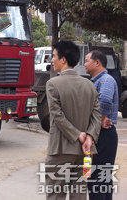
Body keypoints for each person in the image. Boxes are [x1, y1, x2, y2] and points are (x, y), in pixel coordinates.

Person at [45, 41, 101, 200]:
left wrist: (78, 135)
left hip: (60, 151)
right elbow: (97, 115)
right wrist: (89, 137)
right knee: (80, 192)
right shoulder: (90, 85)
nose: (52, 60)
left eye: (54, 56)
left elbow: (57, 116)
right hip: (86, 152)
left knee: (56, 194)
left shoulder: (53, 84)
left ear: (63, 60)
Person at [84, 50, 118, 199]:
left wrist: (99, 121)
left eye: (87, 60)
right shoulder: (95, 82)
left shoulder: (106, 80)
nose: (84, 64)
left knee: (97, 177)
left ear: (97, 63)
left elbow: (104, 101)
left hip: (103, 134)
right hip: (98, 132)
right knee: (101, 177)